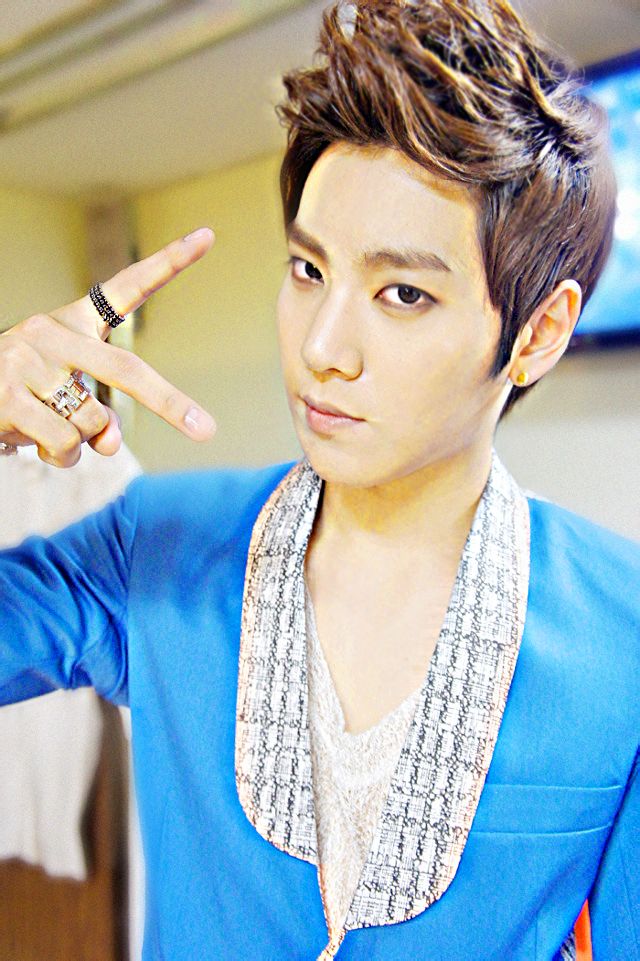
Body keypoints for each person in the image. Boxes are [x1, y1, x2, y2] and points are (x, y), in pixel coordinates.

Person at [0, 1, 638, 959]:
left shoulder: (625, 630)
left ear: (538, 332)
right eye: (307, 269)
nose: (322, 347)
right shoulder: (156, 547)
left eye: (403, 293)